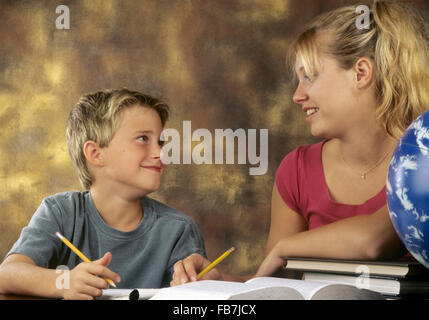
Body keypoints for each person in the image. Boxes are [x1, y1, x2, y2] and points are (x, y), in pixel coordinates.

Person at [170, 0, 429, 285]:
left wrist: (286, 247)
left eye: (309, 77)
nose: (297, 95)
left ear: (361, 73)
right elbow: (274, 281)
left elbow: (375, 241)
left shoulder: (422, 154)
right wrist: (219, 281)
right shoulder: (297, 169)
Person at [0, 88, 206, 299]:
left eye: (160, 142)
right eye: (143, 139)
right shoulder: (60, 212)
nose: (160, 153)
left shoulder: (178, 229)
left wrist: (204, 284)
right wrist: (64, 282)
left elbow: (196, 297)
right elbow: (6, 274)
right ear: (96, 154)